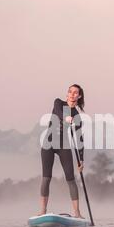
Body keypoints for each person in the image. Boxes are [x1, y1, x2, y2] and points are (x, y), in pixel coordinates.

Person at [39, 84, 85, 218]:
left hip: (63, 145)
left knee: (70, 178)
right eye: (70, 92)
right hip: (48, 143)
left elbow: (79, 138)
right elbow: (58, 112)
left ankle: (77, 213)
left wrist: (81, 159)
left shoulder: (77, 116)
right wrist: (66, 118)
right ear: (67, 94)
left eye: (75, 92)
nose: (72, 94)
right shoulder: (58, 102)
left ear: (79, 96)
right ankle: (42, 211)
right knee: (46, 178)